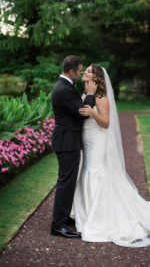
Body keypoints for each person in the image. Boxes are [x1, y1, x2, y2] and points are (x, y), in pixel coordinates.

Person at [71, 64, 150, 247]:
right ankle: (86, 213)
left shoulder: (101, 97)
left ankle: (98, 216)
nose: (85, 72)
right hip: (87, 138)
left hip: (98, 140)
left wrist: (92, 112)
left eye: (89, 71)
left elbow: (106, 123)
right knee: (86, 170)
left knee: (95, 171)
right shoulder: (86, 94)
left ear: (97, 77)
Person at [51, 55, 97, 239]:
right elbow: (83, 113)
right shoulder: (63, 89)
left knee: (69, 181)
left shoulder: (66, 86)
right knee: (66, 182)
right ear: (71, 71)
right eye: (79, 70)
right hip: (66, 141)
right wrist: (91, 94)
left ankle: (63, 217)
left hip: (68, 140)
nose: (81, 72)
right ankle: (58, 226)